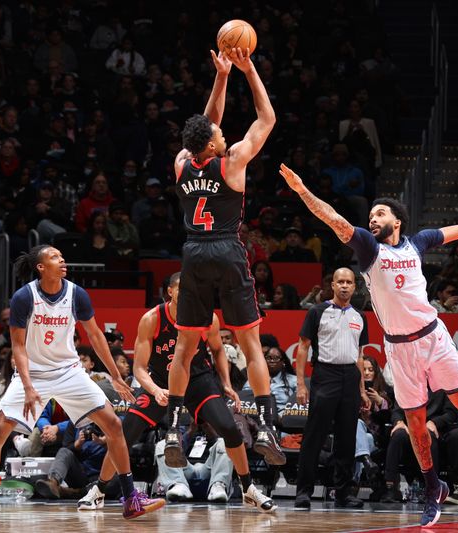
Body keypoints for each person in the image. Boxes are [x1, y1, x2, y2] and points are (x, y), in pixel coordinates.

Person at [279, 164, 458, 527]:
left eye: (379, 214)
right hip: (399, 348)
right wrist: (303, 190)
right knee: (416, 422)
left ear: (397, 221)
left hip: (433, 335)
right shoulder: (369, 250)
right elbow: (334, 219)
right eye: (370, 215)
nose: (372, 220)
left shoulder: (418, 243)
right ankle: (434, 487)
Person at [0, 245, 164, 520]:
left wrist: (117, 376)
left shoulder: (76, 293)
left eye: (61, 256)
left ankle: (130, 498)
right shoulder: (25, 297)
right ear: (40, 267)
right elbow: (19, 347)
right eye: (54, 257)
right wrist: (27, 386)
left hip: (69, 371)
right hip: (34, 373)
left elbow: (95, 336)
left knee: (114, 425)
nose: (62, 260)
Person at [165, 47, 284, 468]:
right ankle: (268, 426)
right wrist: (249, 71)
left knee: (184, 345)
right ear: (213, 145)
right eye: (218, 134)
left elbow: (204, 124)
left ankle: (173, 426)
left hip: (194, 252)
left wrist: (220, 77)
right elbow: (266, 119)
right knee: (250, 343)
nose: (223, 133)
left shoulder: (182, 162)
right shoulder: (232, 161)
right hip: (228, 250)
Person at [78, 273, 276, 513]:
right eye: (183, 289)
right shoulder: (152, 319)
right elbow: (139, 368)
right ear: (170, 291)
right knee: (124, 433)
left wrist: (225, 382)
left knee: (230, 429)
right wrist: (154, 389)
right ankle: (98, 490)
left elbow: (218, 351)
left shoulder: (208, 318)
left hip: (199, 380)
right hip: (160, 381)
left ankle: (248, 489)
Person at [293, 268, 369, 509]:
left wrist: (363, 389)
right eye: (340, 282)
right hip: (325, 374)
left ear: (354, 288)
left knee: (347, 439)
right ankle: (303, 492)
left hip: (350, 378)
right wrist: (301, 384)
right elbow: (303, 347)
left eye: (349, 282)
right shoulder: (317, 311)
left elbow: (360, 355)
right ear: (333, 285)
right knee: (315, 436)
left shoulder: (359, 316)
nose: (345, 286)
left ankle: (343, 493)